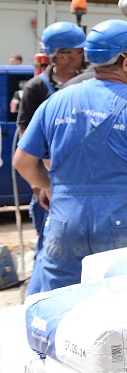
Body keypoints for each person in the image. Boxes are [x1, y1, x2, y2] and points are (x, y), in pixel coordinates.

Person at [13, 19, 127, 295]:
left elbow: (22, 162)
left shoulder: (56, 101)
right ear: (126, 61)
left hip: (65, 221)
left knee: (62, 305)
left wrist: (49, 186)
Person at [15, 22, 87, 250]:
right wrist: (43, 185)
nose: (85, 55)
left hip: (83, 183)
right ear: (62, 55)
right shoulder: (36, 88)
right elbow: (27, 140)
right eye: (79, 51)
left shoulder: (88, 84)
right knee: (49, 247)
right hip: (50, 183)